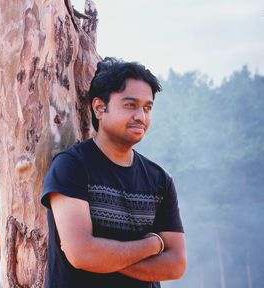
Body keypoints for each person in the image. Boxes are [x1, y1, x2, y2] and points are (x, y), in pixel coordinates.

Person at [41, 57, 187, 288]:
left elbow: (176, 265)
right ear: (100, 107)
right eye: (130, 105)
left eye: (147, 107)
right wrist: (152, 246)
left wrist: (103, 258)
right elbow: (82, 254)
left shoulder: (159, 180)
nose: (141, 116)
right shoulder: (72, 167)